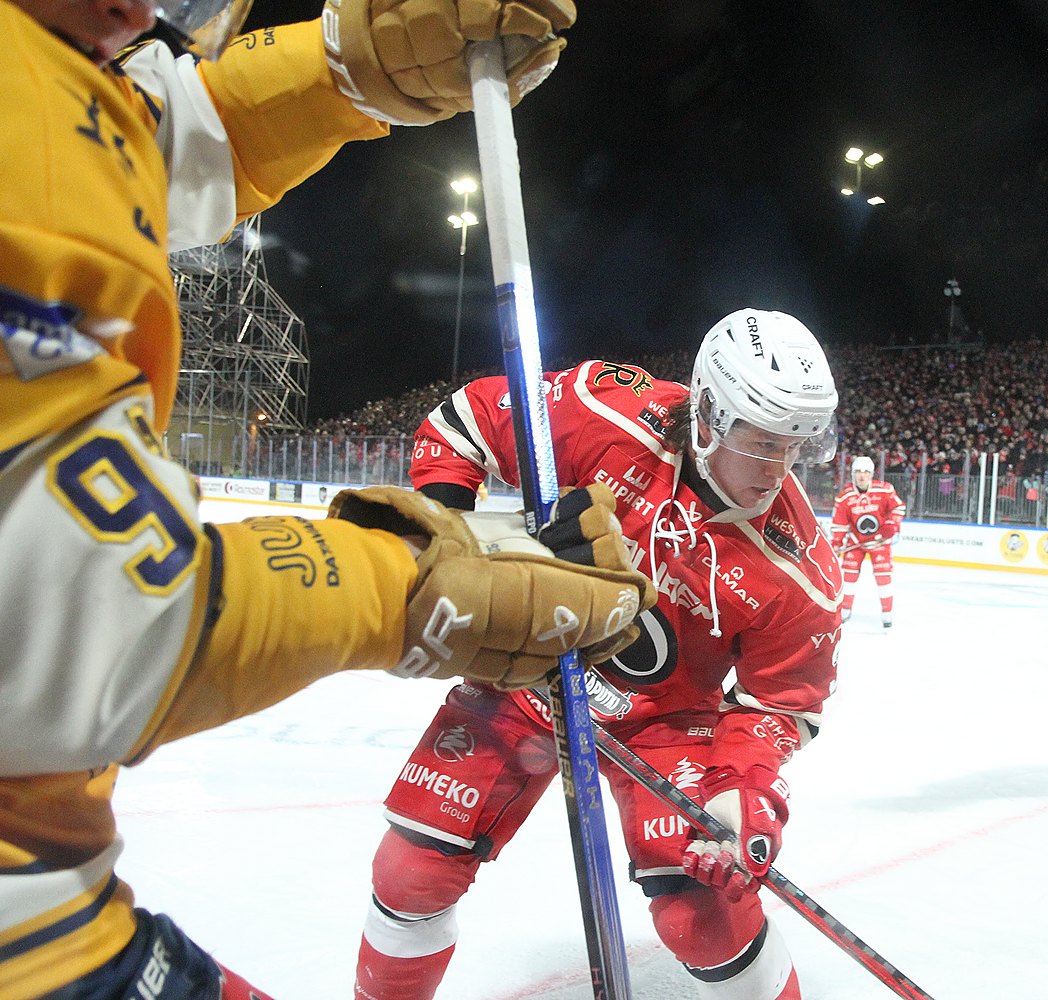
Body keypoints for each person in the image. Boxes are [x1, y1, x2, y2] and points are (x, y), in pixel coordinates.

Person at [0, 2, 658, 996]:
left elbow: (144, 124)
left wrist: (350, 61)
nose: (142, 15)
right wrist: (410, 583)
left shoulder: (53, 71)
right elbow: (61, 622)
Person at [353, 308, 843, 1000]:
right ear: (706, 414)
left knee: (707, 917)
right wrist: (446, 540)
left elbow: (780, 705)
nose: (779, 470)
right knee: (411, 871)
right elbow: (467, 421)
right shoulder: (611, 412)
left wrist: (743, 797)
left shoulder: (801, 570)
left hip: (668, 722)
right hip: (533, 669)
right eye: (763, 444)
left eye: (795, 447)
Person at [830, 455, 906, 628]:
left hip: (879, 542)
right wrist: (837, 545)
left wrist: (891, 525)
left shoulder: (885, 490)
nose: (862, 476)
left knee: (883, 577)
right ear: (852, 474)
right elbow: (839, 525)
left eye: (865, 472)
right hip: (856, 542)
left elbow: (898, 507)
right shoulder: (845, 497)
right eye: (858, 472)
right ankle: (846, 610)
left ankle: (887, 614)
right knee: (848, 576)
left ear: (871, 474)